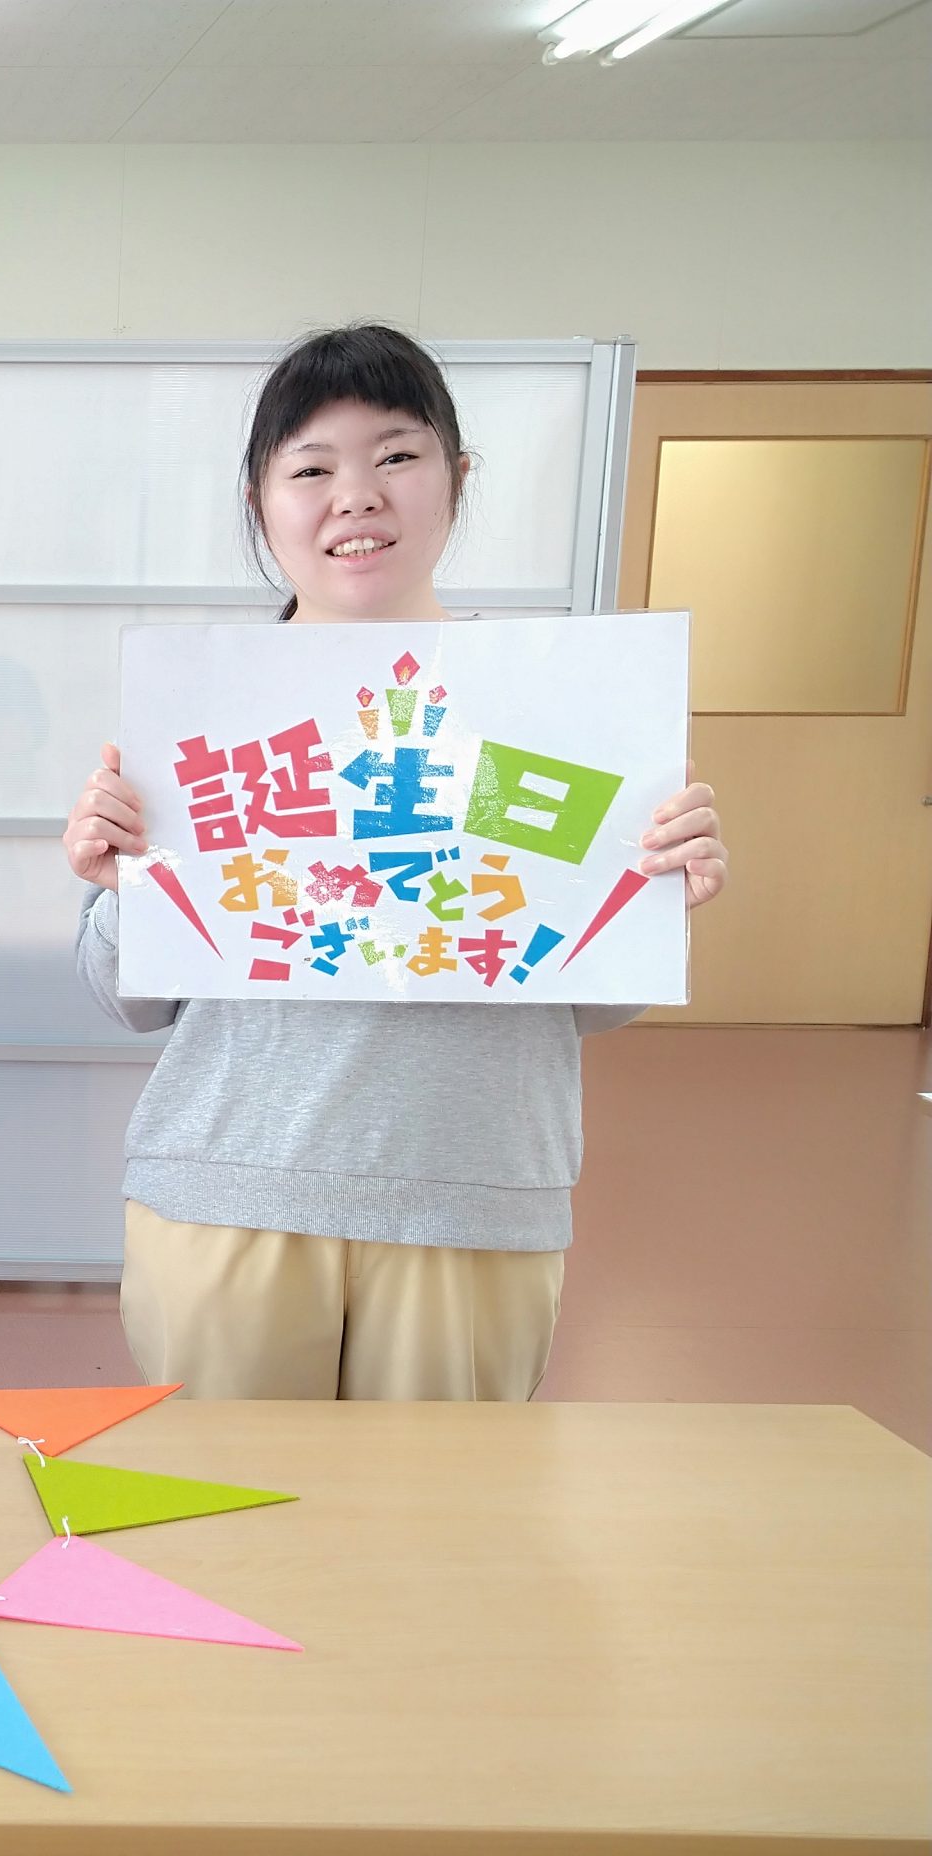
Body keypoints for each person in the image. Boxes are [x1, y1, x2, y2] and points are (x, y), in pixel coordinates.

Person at [60, 324, 730, 1402]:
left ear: (456, 479)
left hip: (470, 1195)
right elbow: (127, 1001)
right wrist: (117, 886)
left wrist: (649, 893)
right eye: (311, 469)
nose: (355, 497)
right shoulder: (209, 714)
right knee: (220, 1507)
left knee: (436, 1511)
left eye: (396, 456)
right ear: (258, 501)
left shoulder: (546, 710)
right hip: (230, 1191)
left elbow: (595, 1005)